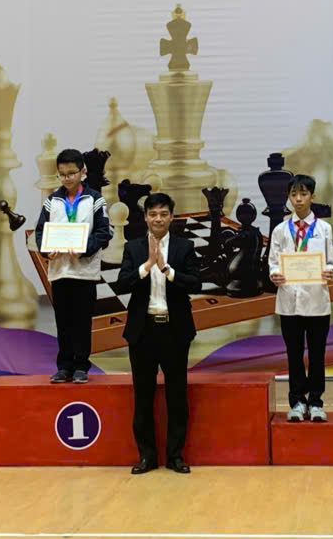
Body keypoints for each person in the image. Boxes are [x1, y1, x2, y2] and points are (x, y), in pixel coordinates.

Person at [117, 192, 199, 474]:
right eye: (153, 214)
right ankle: (147, 457)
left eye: (164, 214)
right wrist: (147, 266)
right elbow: (122, 283)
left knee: (176, 396)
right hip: (143, 331)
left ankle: (175, 456)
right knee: (143, 396)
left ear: (172, 217)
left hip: (175, 330)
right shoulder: (133, 247)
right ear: (145, 218)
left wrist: (166, 268)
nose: (158, 219)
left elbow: (195, 283)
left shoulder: (185, 246)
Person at [33, 148, 111, 383]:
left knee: (82, 322)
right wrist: (46, 249)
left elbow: (104, 233)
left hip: (84, 272)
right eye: (63, 174)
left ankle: (81, 366)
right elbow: (40, 232)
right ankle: (64, 366)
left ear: (82, 172)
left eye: (71, 173)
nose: (67, 178)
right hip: (59, 271)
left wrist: (84, 248)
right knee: (63, 322)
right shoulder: (52, 201)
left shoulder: (95, 199)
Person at [268, 174, 333, 422]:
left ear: (312, 196)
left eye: (303, 194)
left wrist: (329, 271)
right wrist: (275, 275)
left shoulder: (324, 229)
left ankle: (316, 402)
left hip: (317, 301)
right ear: (289, 197)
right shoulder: (280, 230)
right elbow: (273, 262)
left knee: (317, 355)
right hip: (289, 302)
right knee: (294, 354)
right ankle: (297, 401)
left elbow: (331, 262)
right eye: (294, 194)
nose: (298, 199)